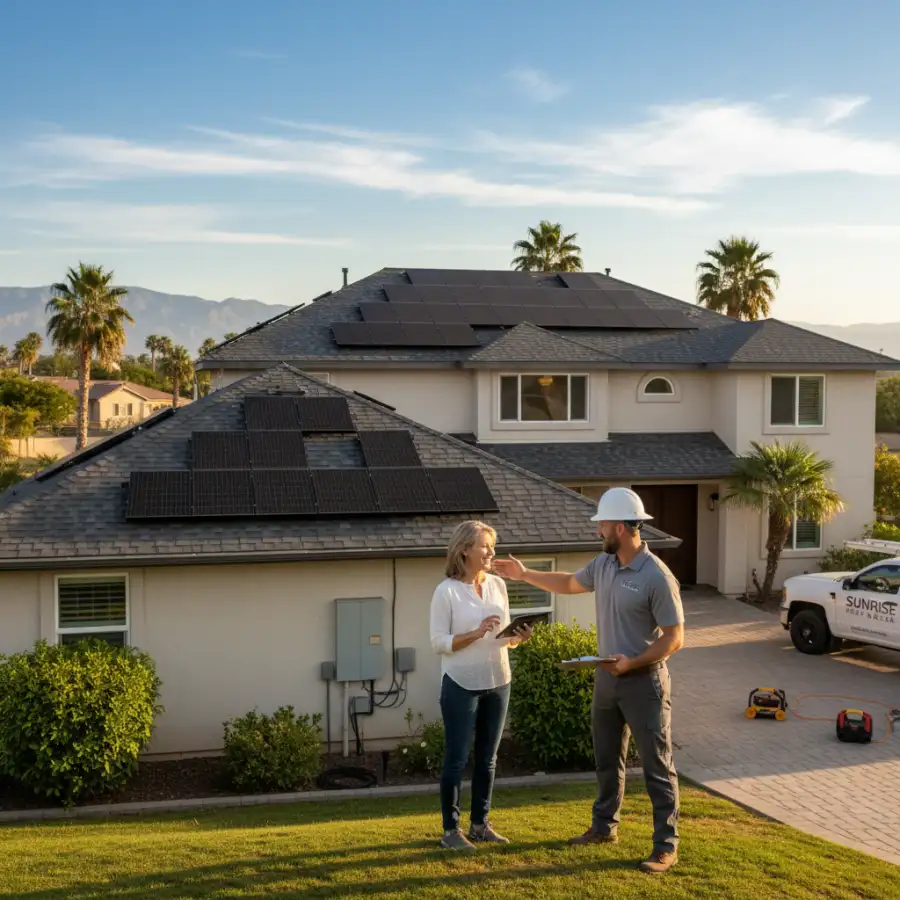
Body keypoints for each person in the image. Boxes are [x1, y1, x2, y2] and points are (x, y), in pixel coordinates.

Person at [492, 488, 684, 875]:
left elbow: (674, 637)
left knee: (657, 765)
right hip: (606, 679)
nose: (597, 532)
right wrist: (525, 574)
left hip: (644, 683)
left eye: (601, 526)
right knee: (606, 759)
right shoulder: (604, 564)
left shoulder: (657, 577)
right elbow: (568, 583)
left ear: (619, 527)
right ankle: (603, 828)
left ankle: (665, 846)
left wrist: (633, 662)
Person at [429, 520, 533, 850]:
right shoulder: (445, 591)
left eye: (492, 545)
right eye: (485, 546)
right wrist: (475, 633)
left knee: (488, 759)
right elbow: (437, 643)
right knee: (457, 759)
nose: (491, 551)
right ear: (464, 550)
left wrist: (517, 638)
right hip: (461, 682)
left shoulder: (498, 586)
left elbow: (501, 638)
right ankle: (450, 831)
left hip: (498, 680)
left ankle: (480, 825)